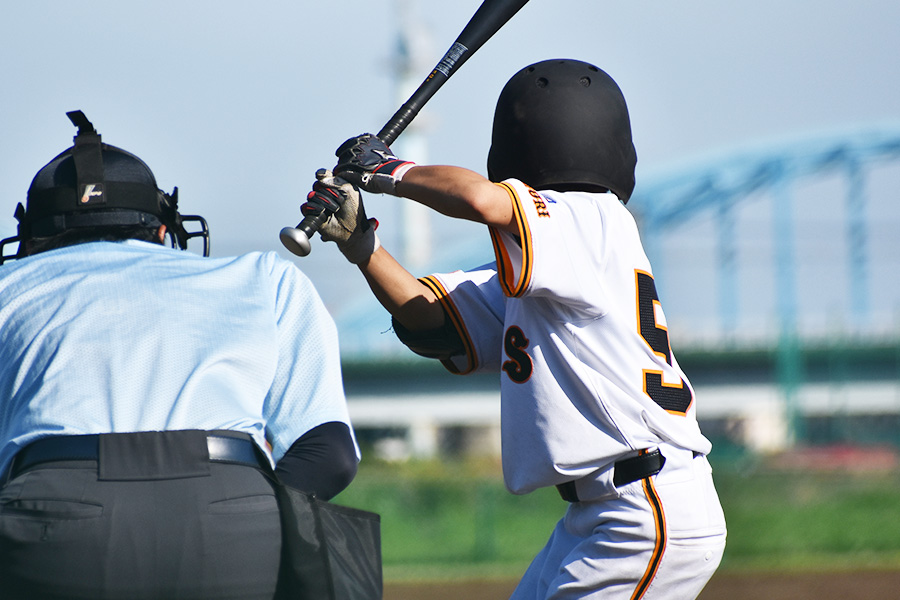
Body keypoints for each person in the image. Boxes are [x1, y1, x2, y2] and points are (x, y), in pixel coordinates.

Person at [302, 59, 726, 599]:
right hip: (605, 512)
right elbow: (434, 327)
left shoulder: (590, 218)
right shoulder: (552, 263)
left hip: (646, 510)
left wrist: (388, 171)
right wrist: (364, 249)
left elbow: (482, 200)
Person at [0, 111, 358, 600]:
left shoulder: (8, 288)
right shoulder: (261, 278)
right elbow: (330, 454)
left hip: (54, 515)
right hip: (235, 512)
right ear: (166, 230)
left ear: (30, 239)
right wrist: (245, 511)